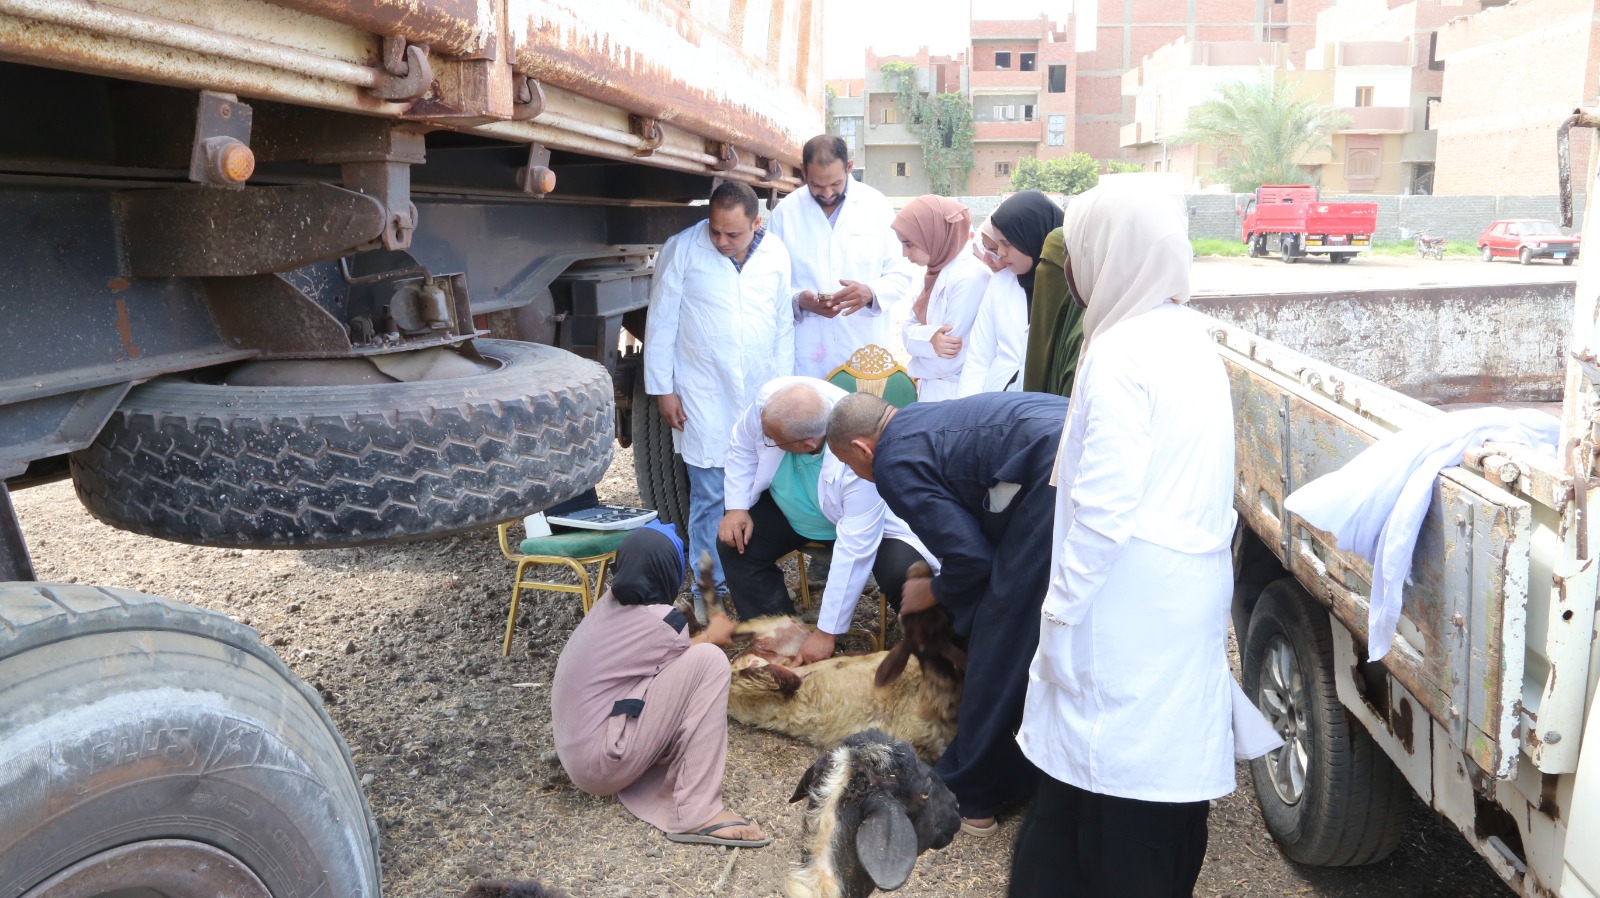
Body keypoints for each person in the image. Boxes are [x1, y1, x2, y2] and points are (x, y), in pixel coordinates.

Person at [1008, 187, 1279, 897]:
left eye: (1077, 253)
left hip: (1124, 598)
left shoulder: (1119, 350)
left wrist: (1060, 613)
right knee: (1154, 775)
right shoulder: (1189, 337)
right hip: (1184, 587)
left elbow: (1103, 508)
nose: (1070, 272)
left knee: (1109, 775)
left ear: (1108, 256)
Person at [826, 389, 1070, 835]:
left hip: (1054, 465)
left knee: (1004, 633)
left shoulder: (891, 461)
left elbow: (971, 559)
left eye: (847, 464)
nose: (855, 474)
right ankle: (1039, 765)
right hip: (1081, 432)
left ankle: (972, 796)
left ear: (862, 448)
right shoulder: (920, 420)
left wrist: (933, 590)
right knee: (1050, 621)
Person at [551, 523, 771, 848]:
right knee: (711, 662)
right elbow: (692, 658)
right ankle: (696, 813)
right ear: (669, 573)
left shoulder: (606, 606)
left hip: (579, 755)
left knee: (694, 663)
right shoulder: (662, 622)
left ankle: (670, 783)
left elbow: (664, 665)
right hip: (600, 764)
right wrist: (714, 635)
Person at [644, 180, 794, 612]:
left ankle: (748, 588)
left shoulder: (776, 252)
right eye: (715, 231)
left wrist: (783, 391)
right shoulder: (682, 248)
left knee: (757, 494)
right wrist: (664, 389)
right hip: (702, 393)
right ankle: (709, 594)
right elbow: (661, 321)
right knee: (710, 496)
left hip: (760, 392)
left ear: (756, 224)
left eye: (733, 234)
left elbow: (783, 324)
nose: (722, 241)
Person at [719, 377, 938, 664]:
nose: (766, 441)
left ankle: (930, 660)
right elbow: (743, 445)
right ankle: (778, 642)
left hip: (868, 524)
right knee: (736, 541)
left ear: (809, 442)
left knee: (906, 573)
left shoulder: (858, 457)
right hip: (792, 514)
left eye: (772, 440)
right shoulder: (771, 407)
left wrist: (826, 632)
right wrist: (735, 507)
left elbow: (855, 547)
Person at [769, 135, 916, 378]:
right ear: (803, 172)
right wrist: (799, 300)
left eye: (835, 183)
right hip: (808, 355)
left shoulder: (876, 206)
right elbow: (769, 284)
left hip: (864, 349)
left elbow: (901, 274)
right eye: (817, 185)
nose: (827, 193)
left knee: (862, 402)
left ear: (849, 167)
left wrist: (870, 292)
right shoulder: (785, 213)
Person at [894, 196, 991, 402]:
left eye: (909, 244)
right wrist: (930, 338)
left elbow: (950, 359)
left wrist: (918, 356)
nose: (904, 253)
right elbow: (906, 332)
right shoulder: (933, 271)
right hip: (932, 391)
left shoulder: (971, 276)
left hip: (957, 395)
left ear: (933, 235)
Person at [984, 191, 1079, 397]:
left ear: (1032, 237)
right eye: (998, 243)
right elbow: (979, 355)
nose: (1000, 252)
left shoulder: (1075, 291)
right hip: (997, 398)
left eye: (1007, 243)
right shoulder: (1000, 283)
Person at [957, 219, 1029, 396]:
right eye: (985, 249)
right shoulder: (998, 284)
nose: (986, 258)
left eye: (995, 251)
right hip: (996, 394)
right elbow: (978, 357)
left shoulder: (1062, 291)